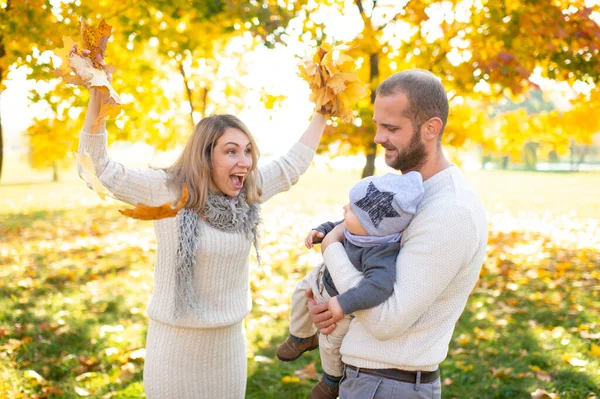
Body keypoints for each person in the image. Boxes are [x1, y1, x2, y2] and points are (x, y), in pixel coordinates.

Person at [73, 45, 327, 398]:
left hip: (227, 352)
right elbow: (97, 170)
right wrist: (98, 93)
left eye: (248, 150)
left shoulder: (247, 192)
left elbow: (291, 166)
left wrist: (323, 111)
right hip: (174, 350)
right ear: (205, 156)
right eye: (231, 151)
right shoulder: (168, 191)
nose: (245, 161)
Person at [307, 69, 488, 399]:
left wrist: (331, 251)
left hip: (389, 385)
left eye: (391, 128)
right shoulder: (404, 195)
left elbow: (386, 321)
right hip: (368, 378)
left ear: (430, 128)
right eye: (378, 124)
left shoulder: (451, 210)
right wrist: (334, 303)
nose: (378, 137)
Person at [276, 172, 424, 399]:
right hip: (321, 278)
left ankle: (331, 380)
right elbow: (335, 224)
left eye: (353, 208)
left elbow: (378, 287)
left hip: (337, 304)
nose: (345, 207)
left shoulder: (379, 253)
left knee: (330, 344)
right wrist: (321, 232)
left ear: (371, 224)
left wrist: (343, 304)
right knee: (299, 293)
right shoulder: (354, 226)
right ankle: (301, 337)